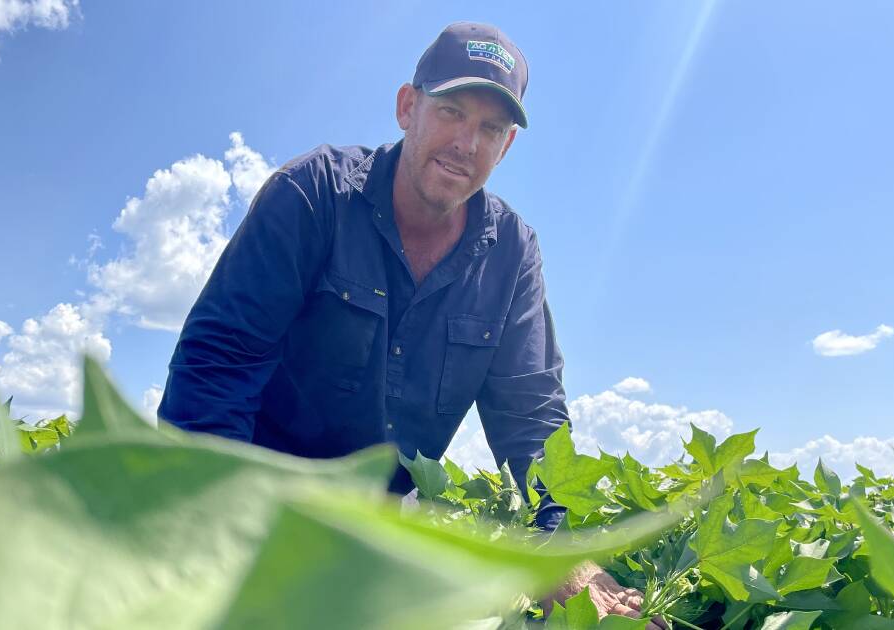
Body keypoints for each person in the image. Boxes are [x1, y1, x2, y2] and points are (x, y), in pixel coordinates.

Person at [159, 21, 665, 629]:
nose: (466, 142)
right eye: (451, 112)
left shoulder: (511, 252)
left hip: (379, 532)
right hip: (260, 506)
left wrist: (561, 555)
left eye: (490, 129)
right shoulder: (312, 195)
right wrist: (222, 538)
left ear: (505, 148)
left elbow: (530, 417)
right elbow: (217, 368)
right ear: (407, 108)